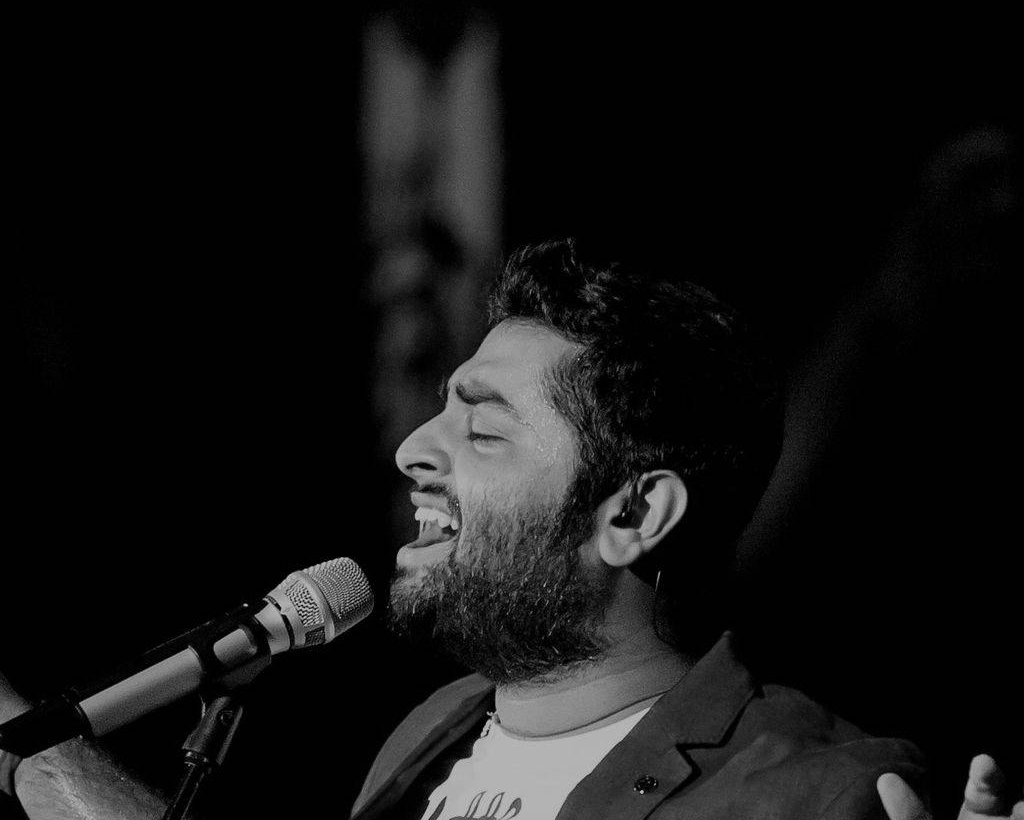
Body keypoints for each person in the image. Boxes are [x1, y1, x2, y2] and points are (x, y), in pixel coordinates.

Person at [1, 239, 1019, 819]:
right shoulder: (432, 734)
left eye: (482, 427)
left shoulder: (806, 789)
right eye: (439, 409)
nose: (414, 447)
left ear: (633, 513)